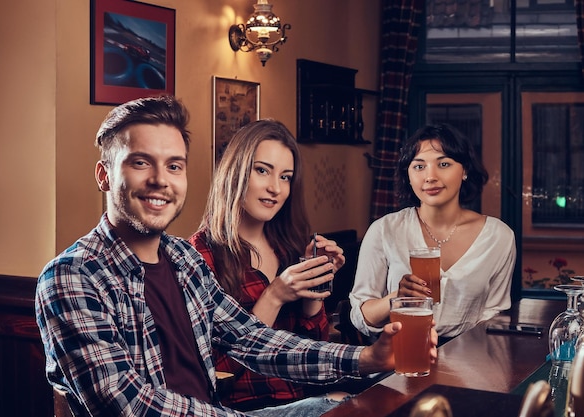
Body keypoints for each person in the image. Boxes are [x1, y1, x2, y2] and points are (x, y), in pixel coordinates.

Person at [35, 95, 438, 417]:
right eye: (140, 163)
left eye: (174, 166)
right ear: (105, 175)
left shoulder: (181, 260)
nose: (160, 180)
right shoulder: (72, 276)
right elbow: (129, 405)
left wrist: (367, 357)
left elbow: (255, 341)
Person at [189, 119, 347, 412]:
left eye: (286, 177)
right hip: (244, 407)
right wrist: (274, 296)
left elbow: (313, 353)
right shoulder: (198, 256)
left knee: (394, 385)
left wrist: (314, 288)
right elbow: (211, 373)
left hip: (304, 397)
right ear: (235, 173)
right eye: (262, 171)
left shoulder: (291, 246)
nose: (275, 188)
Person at [349, 123, 516, 343]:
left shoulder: (498, 237)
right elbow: (361, 317)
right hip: (400, 354)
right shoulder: (385, 230)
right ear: (407, 175)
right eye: (419, 167)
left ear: (464, 169)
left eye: (444, 164)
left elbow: (495, 317)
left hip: (470, 360)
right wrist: (397, 297)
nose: (430, 177)